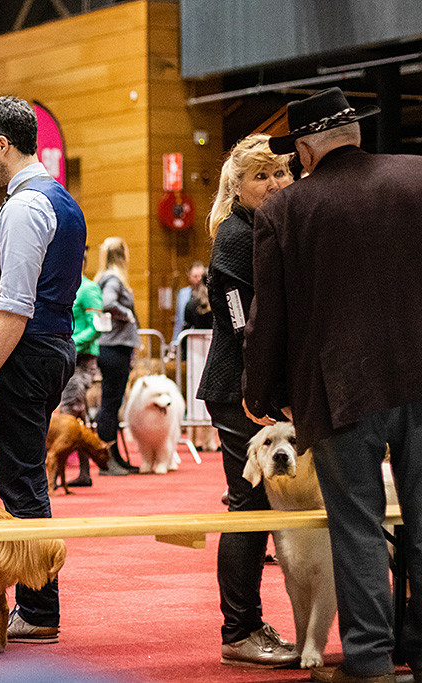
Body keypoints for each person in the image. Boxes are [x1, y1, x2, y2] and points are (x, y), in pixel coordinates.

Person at [243, 87, 422, 683]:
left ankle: (370, 660)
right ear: (355, 134)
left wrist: (259, 392)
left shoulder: (284, 211)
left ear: (304, 151)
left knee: (357, 526)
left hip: (340, 390)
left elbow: (270, 317)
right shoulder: (418, 176)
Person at [0, 96, 85, 643]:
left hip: (24, 352)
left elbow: (14, 304)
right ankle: (39, 606)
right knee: (26, 479)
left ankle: (37, 610)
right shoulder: (61, 199)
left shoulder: (22, 207)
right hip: (51, 347)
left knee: (21, 484)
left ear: (2, 144)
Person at [194, 133, 297, 668]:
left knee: (259, 508)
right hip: (239, 389)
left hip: (258, 387)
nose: (275, 183)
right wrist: (260, 393)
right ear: (238, 186)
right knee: (247, 505)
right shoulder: (235, 236)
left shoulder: (271, 226)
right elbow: (243, 326)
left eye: (281, 172)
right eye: (262, 176)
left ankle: (250, 623)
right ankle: (239, 631)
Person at [93, 237, 141, 477]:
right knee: (110, 405)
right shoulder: (113, 278)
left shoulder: (105, 277)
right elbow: (108, 302)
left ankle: (115, 457)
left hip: (112, 347)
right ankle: (107, 460)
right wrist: (127, 315)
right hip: (115, 348)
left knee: (112, 404)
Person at [59, 246, 102, 487]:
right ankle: (84, 472)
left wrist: (70, 341)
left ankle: (60, 474)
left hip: (83, 360)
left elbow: (96, 327)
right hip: (68, 357)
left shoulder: (89, 289)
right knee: (78, 415)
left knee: (69, 413)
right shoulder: (68, 287)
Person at [171, 261, 204, 345]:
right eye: (195, 276)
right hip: (187, 337)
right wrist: (175, 341)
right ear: (189, 277)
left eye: (200, 276)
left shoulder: (209, 294)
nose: (198, 279)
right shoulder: (183, 293)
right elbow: (179, 319)